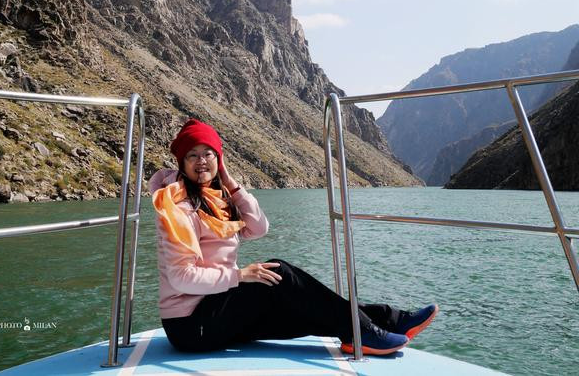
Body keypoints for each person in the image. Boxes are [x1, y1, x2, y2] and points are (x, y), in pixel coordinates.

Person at [149, 118, 438, 355]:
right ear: (182, 162)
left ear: (219, 159)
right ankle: (369, 330)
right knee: (279, 272)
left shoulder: (216, 198)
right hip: (191, 325)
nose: (201, 161)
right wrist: (239, 275)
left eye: (208, 153)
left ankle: (383, 322)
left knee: (302, 308)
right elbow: (180, 277)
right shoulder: (177, 207)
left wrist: (231, 184)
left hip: (217, 309)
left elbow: (259, 228)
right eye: (192, 155)